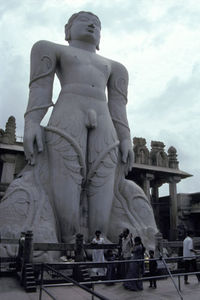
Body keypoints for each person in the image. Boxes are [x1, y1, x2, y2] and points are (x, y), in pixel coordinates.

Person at [23, 11, 134, 243]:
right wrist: (32, 122)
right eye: (84, 20)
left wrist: (126, 137)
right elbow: (40, 87)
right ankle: (68, 240)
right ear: (68, 30)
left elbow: (118, 105)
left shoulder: (116, 67)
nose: (92, 24)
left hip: (104, 120)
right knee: (66, 171)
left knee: (103, 175)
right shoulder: (50, 48)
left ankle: (100, 241)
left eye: (97, 24)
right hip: (68, 112)